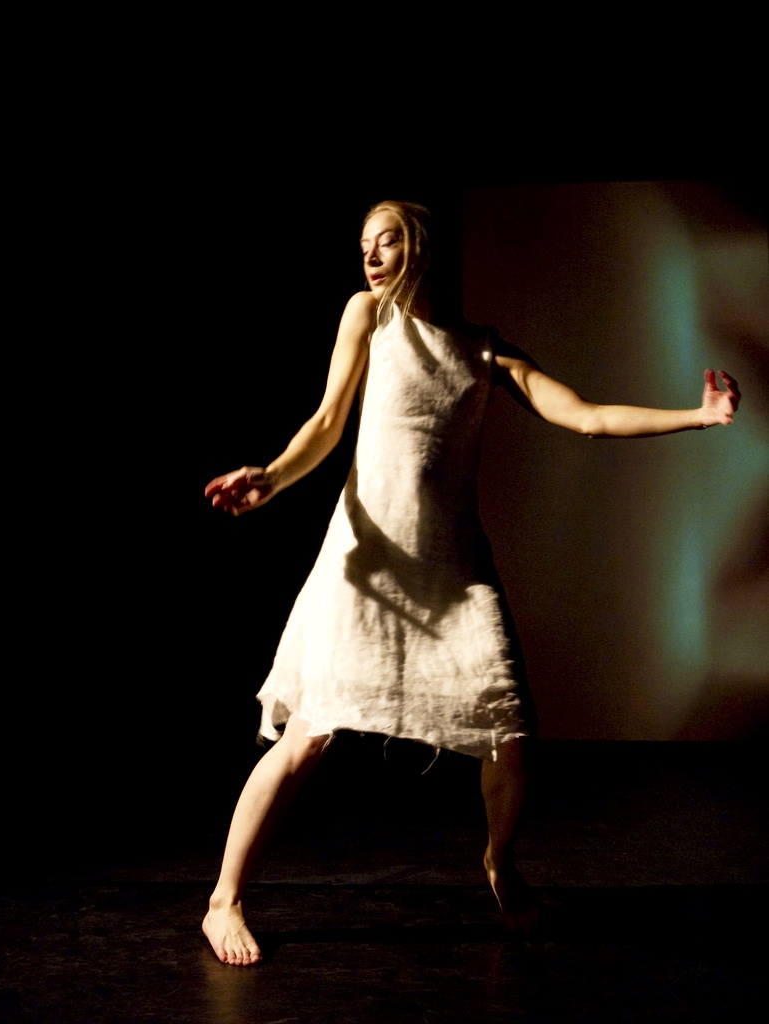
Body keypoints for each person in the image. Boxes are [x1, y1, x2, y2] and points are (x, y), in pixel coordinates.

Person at [202, 199, 741, 966]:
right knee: (308, 737)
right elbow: (326, 424)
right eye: (364, 245)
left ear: (420, 246)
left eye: (387, 241)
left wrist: (699, 415)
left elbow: (584, 416)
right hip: (367, 563)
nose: (371, 257)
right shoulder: (369, 318)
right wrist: (272, 476)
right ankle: (223, 901)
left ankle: (499, 864)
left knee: (510, 735)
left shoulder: (483, 351)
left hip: (454, 572)